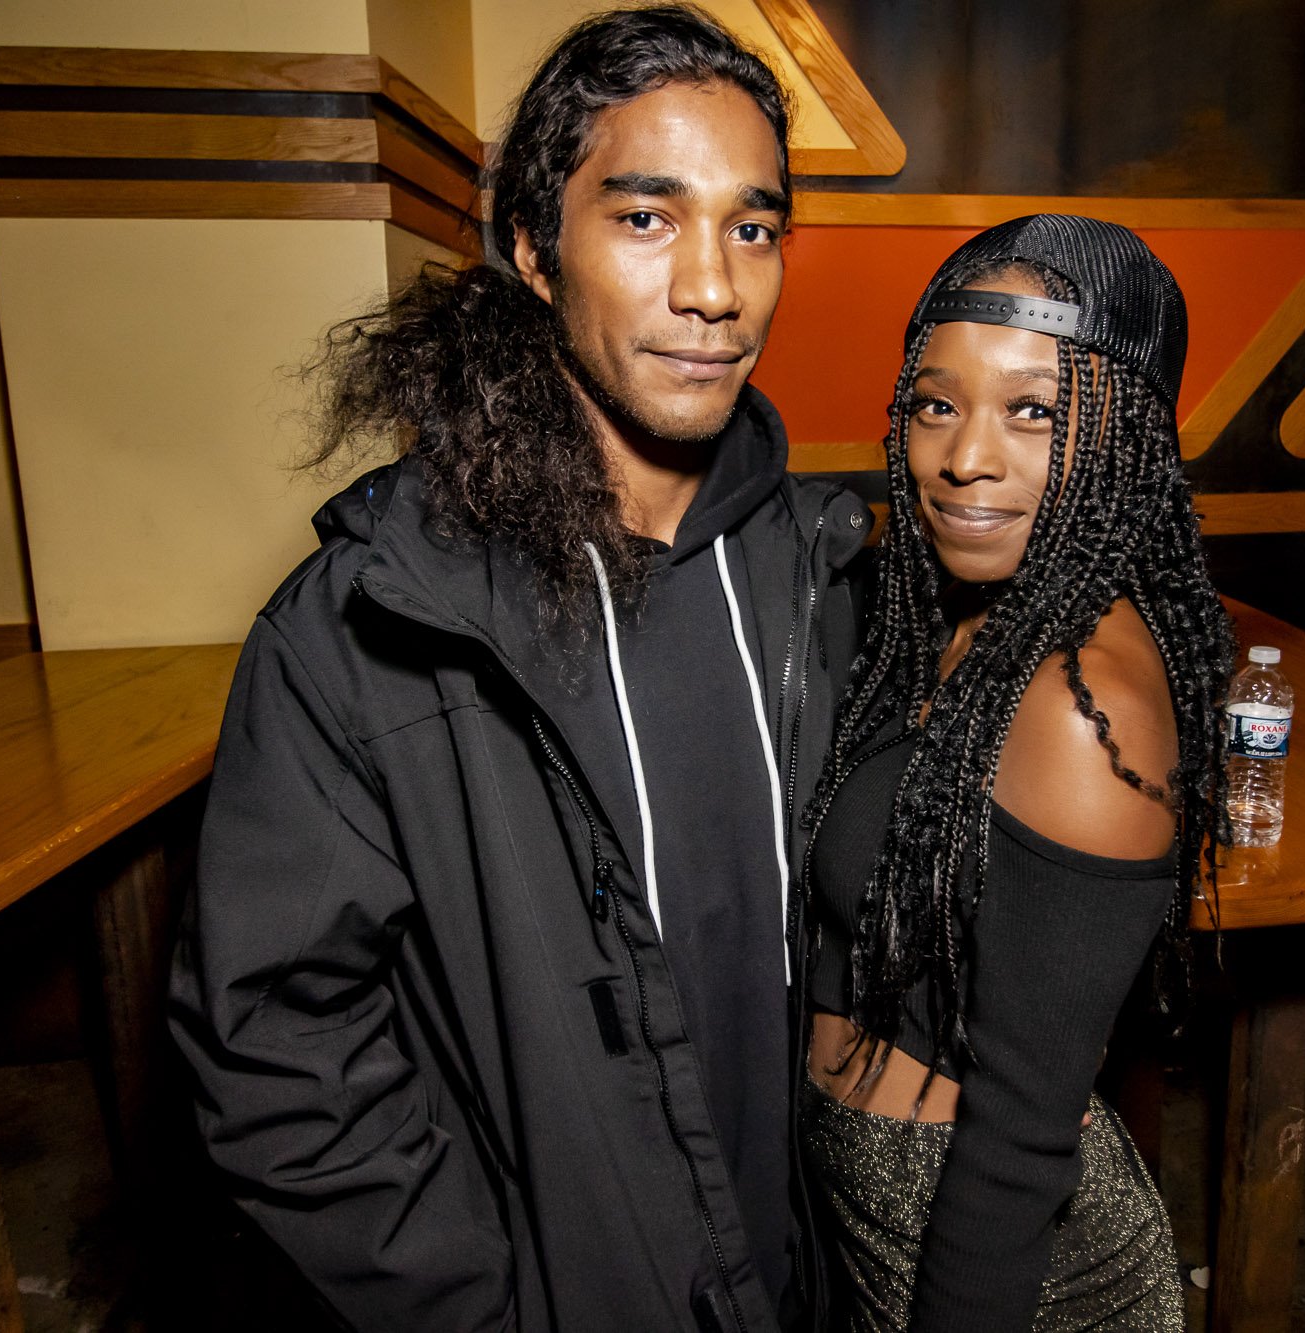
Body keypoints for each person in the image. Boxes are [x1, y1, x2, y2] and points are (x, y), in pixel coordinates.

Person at [167, 9, 870, 1331]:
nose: (715, 289)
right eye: (647, 218)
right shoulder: (369, 626)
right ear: (536, 251)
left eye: (753, 227)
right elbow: (277, 1056)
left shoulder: (818, 569)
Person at [797, 215, 1235, 1331]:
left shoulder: (1082, 709)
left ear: (1124, 438)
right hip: (867, 1218)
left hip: (1009, 1277)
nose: (966, 459)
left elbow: (1018, 1141)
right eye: (935, 405)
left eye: (1033, 410)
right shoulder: (955, 622)